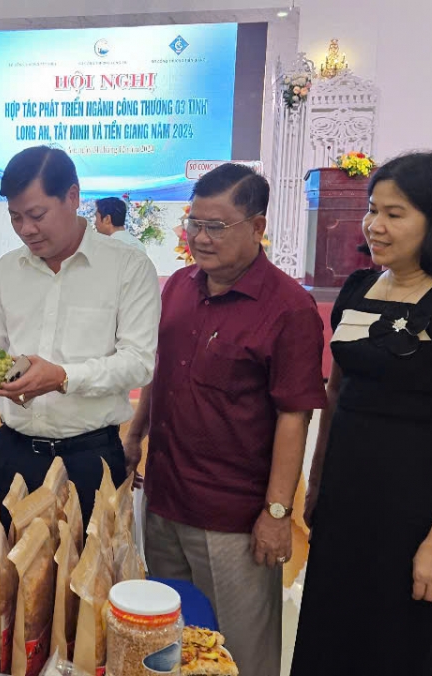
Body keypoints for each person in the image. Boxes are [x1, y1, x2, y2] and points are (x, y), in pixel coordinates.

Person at [292, 152, 432, 675]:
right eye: (373, 210)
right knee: (339, 630)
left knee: (402, 641)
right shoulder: (358, 290)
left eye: (395, 214)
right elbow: (336, 394)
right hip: (348, 500)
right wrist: (318, 482)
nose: (375, 225)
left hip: (416, 510)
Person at [124, 163, 327, 676]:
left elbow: (294, 416)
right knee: (169, 645)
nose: (200, 237)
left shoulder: (288, 308)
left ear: (257, 227)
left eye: (216, 226)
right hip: (165, 501)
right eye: (194, 223)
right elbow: (160, 370)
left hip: (234, 519)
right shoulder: (179, 286)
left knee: (238, 654)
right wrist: (135, 435)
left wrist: (277, 514)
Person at [0, 146, 160, 524]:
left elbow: (138, 363)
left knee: (91, 560)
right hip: (14, 455)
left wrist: (63, 377)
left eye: (37, 215)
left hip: (89, 460)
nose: (26, 229)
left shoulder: (127, 267)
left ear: (72, 196)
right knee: (4, 557)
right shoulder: (6, 270)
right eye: (15, 217)